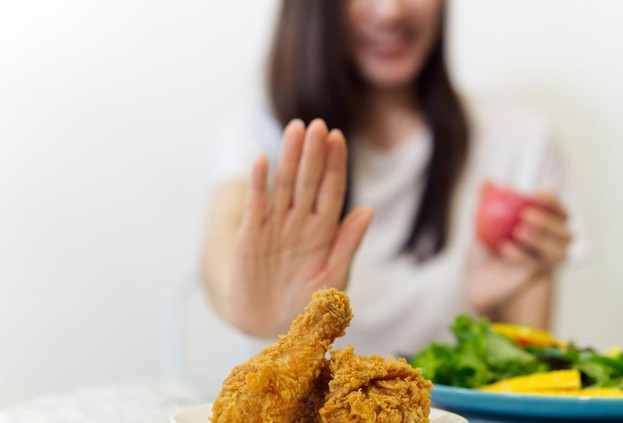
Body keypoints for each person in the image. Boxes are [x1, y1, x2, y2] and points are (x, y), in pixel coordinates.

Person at [202, 0, 583, 357]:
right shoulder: (265, 130)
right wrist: (253, 306)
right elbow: (222, 243)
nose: (390, 11)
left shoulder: (520, 143)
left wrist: (493, 306)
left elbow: (526, 388)